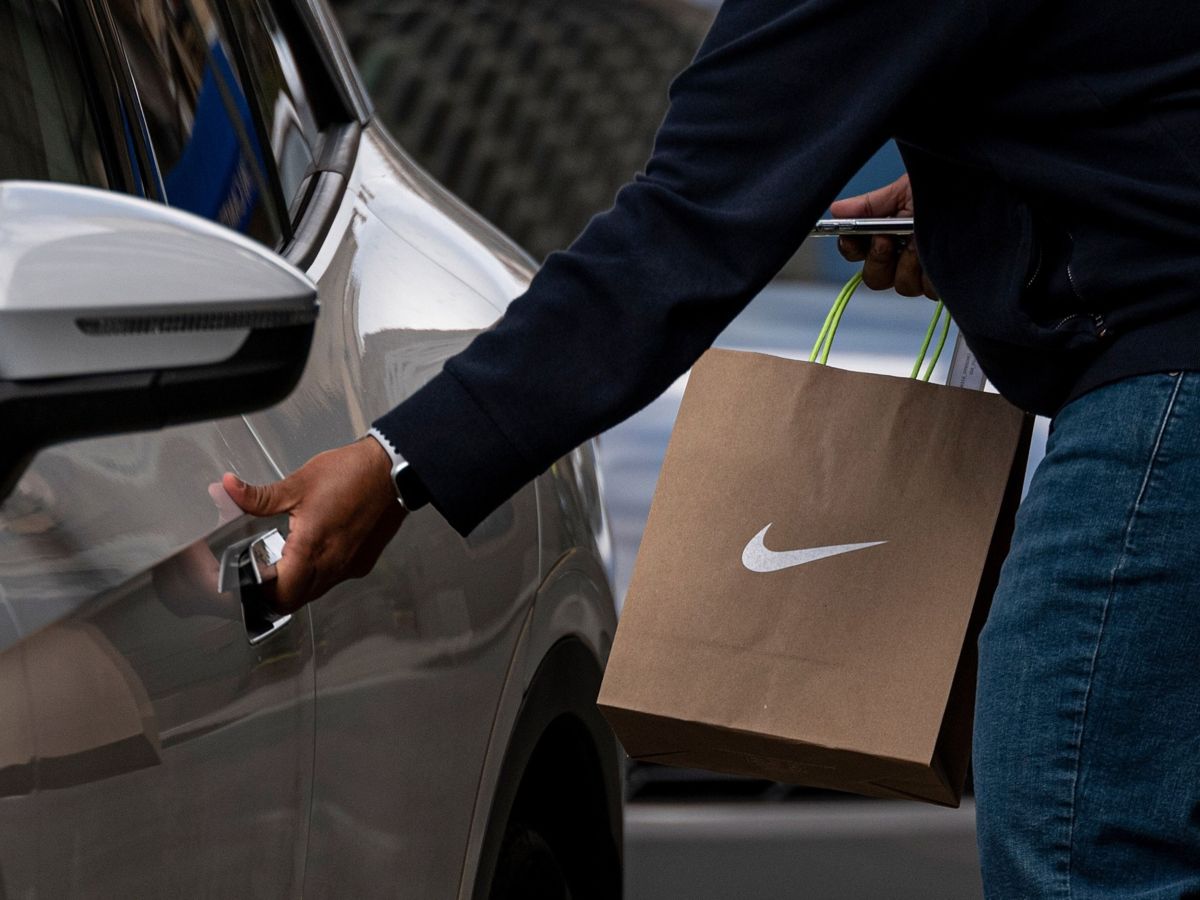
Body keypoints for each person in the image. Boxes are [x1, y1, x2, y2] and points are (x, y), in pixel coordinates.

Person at [223, 0, 1200, 895]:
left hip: (1170, 386)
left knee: (1083, 839)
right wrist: (992, 191)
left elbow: (684, 228)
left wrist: (401, 463)